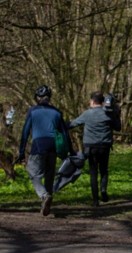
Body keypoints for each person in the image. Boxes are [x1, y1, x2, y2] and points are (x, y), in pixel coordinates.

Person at [18, 85, 71, 216]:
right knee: (49, 175)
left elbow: (25, 132)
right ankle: (46, 206)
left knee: (33, 172)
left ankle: (44, 195)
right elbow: (65, 133)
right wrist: (70, 151)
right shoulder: (57, 112)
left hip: (39, 145)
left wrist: (21, 151)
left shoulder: (33, 111)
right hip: (53, 146)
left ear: (38, 98)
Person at [67, 91, 121, 207]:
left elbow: (72, 124)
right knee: (104, 170)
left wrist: (59, 124)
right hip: (105, 146)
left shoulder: (87, 114)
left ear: (92, 101)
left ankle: (95, 200)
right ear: (102, 102)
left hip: (90, 147)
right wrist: (117, 114)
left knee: (93, 172)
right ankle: (103, 190)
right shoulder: (109, 113)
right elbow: (118, 127)